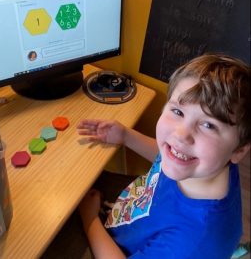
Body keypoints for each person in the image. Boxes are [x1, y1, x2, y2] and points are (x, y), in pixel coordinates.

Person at [77, 53, 251, 259]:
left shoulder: (193, 244)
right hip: (127, 216)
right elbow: (165, 158)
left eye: (208, 125)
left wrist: (89, 220)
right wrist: (125, 136)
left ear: (239, 151)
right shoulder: (206, 164)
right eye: (178, 111)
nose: (181, 135)